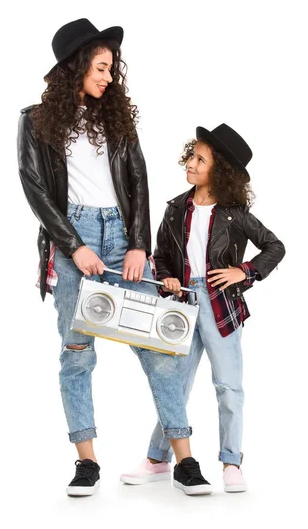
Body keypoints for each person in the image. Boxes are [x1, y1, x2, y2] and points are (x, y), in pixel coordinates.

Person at [17, 18, 211, 497]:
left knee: (159, 345)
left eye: (111, 69)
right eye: (101, 68)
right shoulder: (35, 120)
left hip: (122, 237)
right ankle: (86, 461)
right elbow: (35, 188)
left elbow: (139, 181)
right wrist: (73, 245)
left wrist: (139, 245)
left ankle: (184, 460)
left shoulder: (116, 118)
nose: (108, 77)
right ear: (76, 66)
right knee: (77, 352)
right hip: (73, 238)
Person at [120, 123, 285, 492]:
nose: (190, 164)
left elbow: (274, 247)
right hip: (182, 305)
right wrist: (167, 279)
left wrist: (242, 271)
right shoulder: (177, 208)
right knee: (173, 384)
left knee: (228, 386)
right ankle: (157, 459)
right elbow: (160, 256)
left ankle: (231, 462)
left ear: (221, 170)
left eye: (200, 159)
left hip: (219, 303)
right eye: (191, 156)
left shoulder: (235, 213)